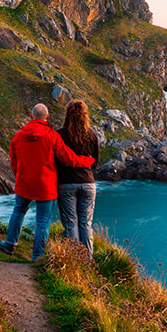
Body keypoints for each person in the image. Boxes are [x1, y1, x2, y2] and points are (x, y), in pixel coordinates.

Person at [0, 103, 95, 260]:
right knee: (42, 221)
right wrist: (87, 161)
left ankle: (9, 244)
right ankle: (37, 256)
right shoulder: (52, 136)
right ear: (47, 117)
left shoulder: (18, 137)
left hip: (24, 183)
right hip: (46, 186)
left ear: (31, 116)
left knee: (18, 211)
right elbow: (69, 159)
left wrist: (19, 178)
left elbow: (14, 163)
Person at [56, 99, 99, 256]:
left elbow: (54, 160)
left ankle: (74, 260)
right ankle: (88, 260)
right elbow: (95, 161)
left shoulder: (60, 134)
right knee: (86, 224)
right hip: (88, 182)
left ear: (68, 114)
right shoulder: (92, 134)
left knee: (70, 223)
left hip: (66, 183)